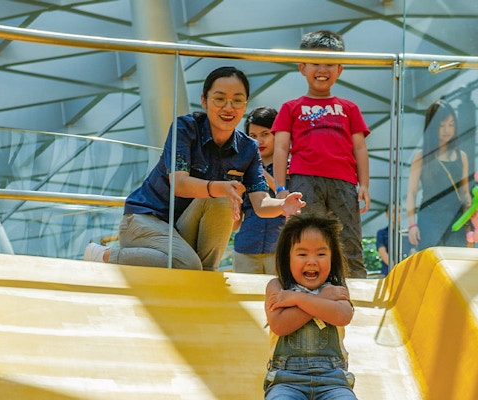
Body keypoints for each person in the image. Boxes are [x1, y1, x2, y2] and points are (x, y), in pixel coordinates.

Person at [217, 212, 439, 400]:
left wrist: (298, 298)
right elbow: (281, 324)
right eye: (302, 254)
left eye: (321, 254)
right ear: (287, 257)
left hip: (332, 382)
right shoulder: (276, 287)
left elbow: (341, 316)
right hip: (287, 380)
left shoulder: (337, 290)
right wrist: (318, 300)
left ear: (332, 258)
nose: (312, 261)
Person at [84, 66, 305, 270]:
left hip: (181, 232)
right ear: (204, 100)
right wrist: (221, 187)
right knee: (189, 261)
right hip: (146, 219)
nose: (228, 108)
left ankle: (205, 278)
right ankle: (105, 255)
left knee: (216, 210)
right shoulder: (186, 128)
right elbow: (178, 184)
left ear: (245, 104)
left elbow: (261, 203)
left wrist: (282, 205)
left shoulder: (247, 148)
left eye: (237, 100)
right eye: (219, 99)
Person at [271, 30, 371, 278]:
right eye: (315, 62)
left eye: (329, 63)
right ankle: (298, 284)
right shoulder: (291, 107)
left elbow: (359, 147)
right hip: (304, 180)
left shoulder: (349, 108)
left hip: (344, 181)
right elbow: (281, 147)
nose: (322, 69)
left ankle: (355, 287)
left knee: (348, 236)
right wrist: (281, 187)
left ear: (340, 69)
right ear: (302, 67)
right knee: (304, 235)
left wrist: (365, 185)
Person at [406, 99, 472, 250]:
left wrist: (470, 210)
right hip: (429, 218)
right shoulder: (421, 157)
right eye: (441, 125)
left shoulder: (461, 156)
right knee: (432, 263)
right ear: (432, 127)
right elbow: (411, 193)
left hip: (456, 220)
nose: (447, 130)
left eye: (451, 124)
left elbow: (465, 192)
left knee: (456, 264)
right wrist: (412, 225)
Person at [232, 107, 283, 274]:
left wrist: (257, 170)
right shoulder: (240, 170)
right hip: (245, 250)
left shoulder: (294, 166)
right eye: (253, 136)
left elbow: (293, 202)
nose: (259, 141)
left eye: (265, 134)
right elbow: (234, 224)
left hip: (281, 250)